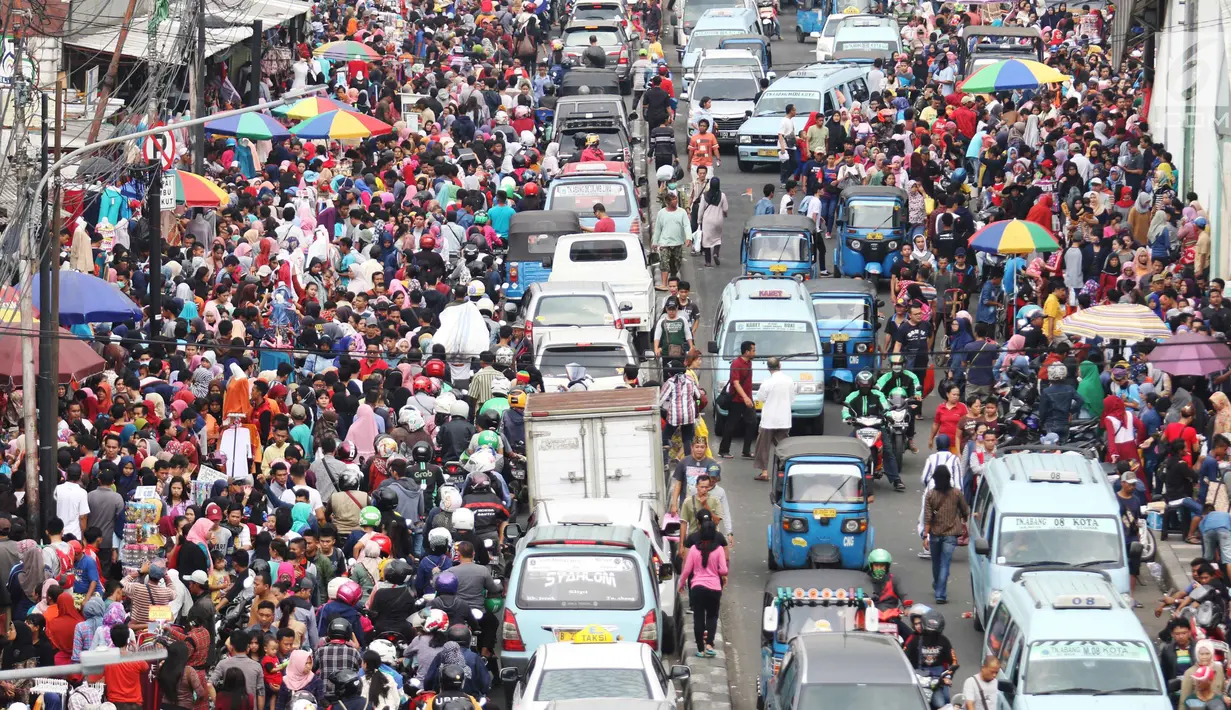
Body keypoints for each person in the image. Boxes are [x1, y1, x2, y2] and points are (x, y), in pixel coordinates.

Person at [678, 508, 727, 657]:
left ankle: (700, 648)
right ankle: (710, 645)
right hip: (714, 589)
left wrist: (681, 584)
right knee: (712, 616)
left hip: (697, 588)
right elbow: (724, 570)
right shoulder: (718, 550)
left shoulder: (693, 549)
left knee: (698, 617)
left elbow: (687, 570)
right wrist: (721, 575)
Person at [922, 467, 969, 604]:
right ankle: (940, 594)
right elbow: (965, 509)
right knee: (945, 564)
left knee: (936, 563)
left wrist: (925, 536)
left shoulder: (930, 495)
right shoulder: (956, 493)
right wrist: (964, 518)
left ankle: (938, 585)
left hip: (935, 534)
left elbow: (928, 517)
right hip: (951, 534)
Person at [905, 610, 957, 709]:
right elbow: (904, 658)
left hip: (938, 679)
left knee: (943, 702)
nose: (931, 635)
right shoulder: (914, 640)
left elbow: (954, 662)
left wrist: (948, 676)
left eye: (934, 633)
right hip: (920, 678)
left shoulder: (944, 641)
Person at [753, 357, 794, 482]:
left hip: (769, 420)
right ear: (780, 365)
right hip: (784, 418)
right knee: (784, 446)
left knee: (763, 446)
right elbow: (792, 398)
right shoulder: (789, 380)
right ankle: (787, 468)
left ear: (768, 368)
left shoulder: (767, 382)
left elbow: (760, 397)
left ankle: (764, 472)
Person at [719, 341, 756, 460]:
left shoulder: (749, 363)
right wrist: (745, 397)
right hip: (737, 400)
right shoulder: (737, 363)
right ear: (747, 351)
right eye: (753, 350)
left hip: (748, 399)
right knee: (731, 425)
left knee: (752, 423)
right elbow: (736, 383)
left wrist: (748, 398)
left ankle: (746, 450)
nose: (755, 353)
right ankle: (723, 450)